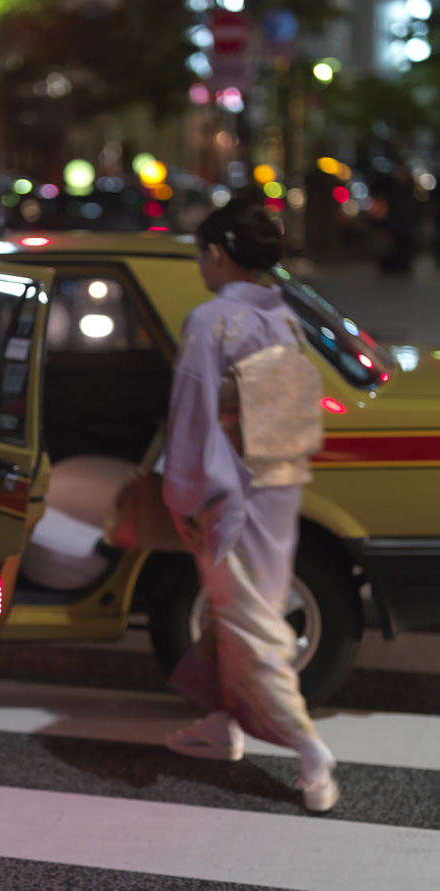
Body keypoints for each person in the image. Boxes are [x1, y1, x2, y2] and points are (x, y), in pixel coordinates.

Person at [162, 198, 339, 813]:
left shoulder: (212, 321)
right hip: (278, 481)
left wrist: (181, 491)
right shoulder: (282, 319)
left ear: (216, 254)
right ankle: (220, 720)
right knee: (237, 608)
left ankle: (310, 750)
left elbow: (192, 412)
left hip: (228, 487)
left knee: (250, 622)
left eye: (201, 255)